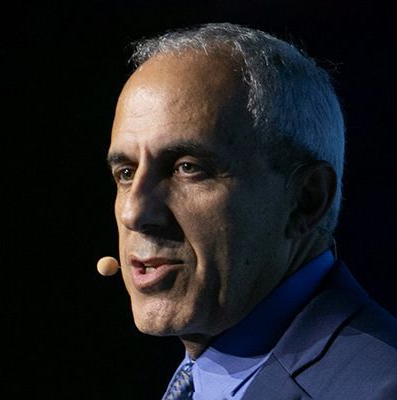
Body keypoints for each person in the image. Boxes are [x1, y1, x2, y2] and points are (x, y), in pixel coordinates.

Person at [102, 23, 397, 399]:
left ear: (306, 199)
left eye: (188, 167)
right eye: (126, 173)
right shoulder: (200, 375)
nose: (134, 212)